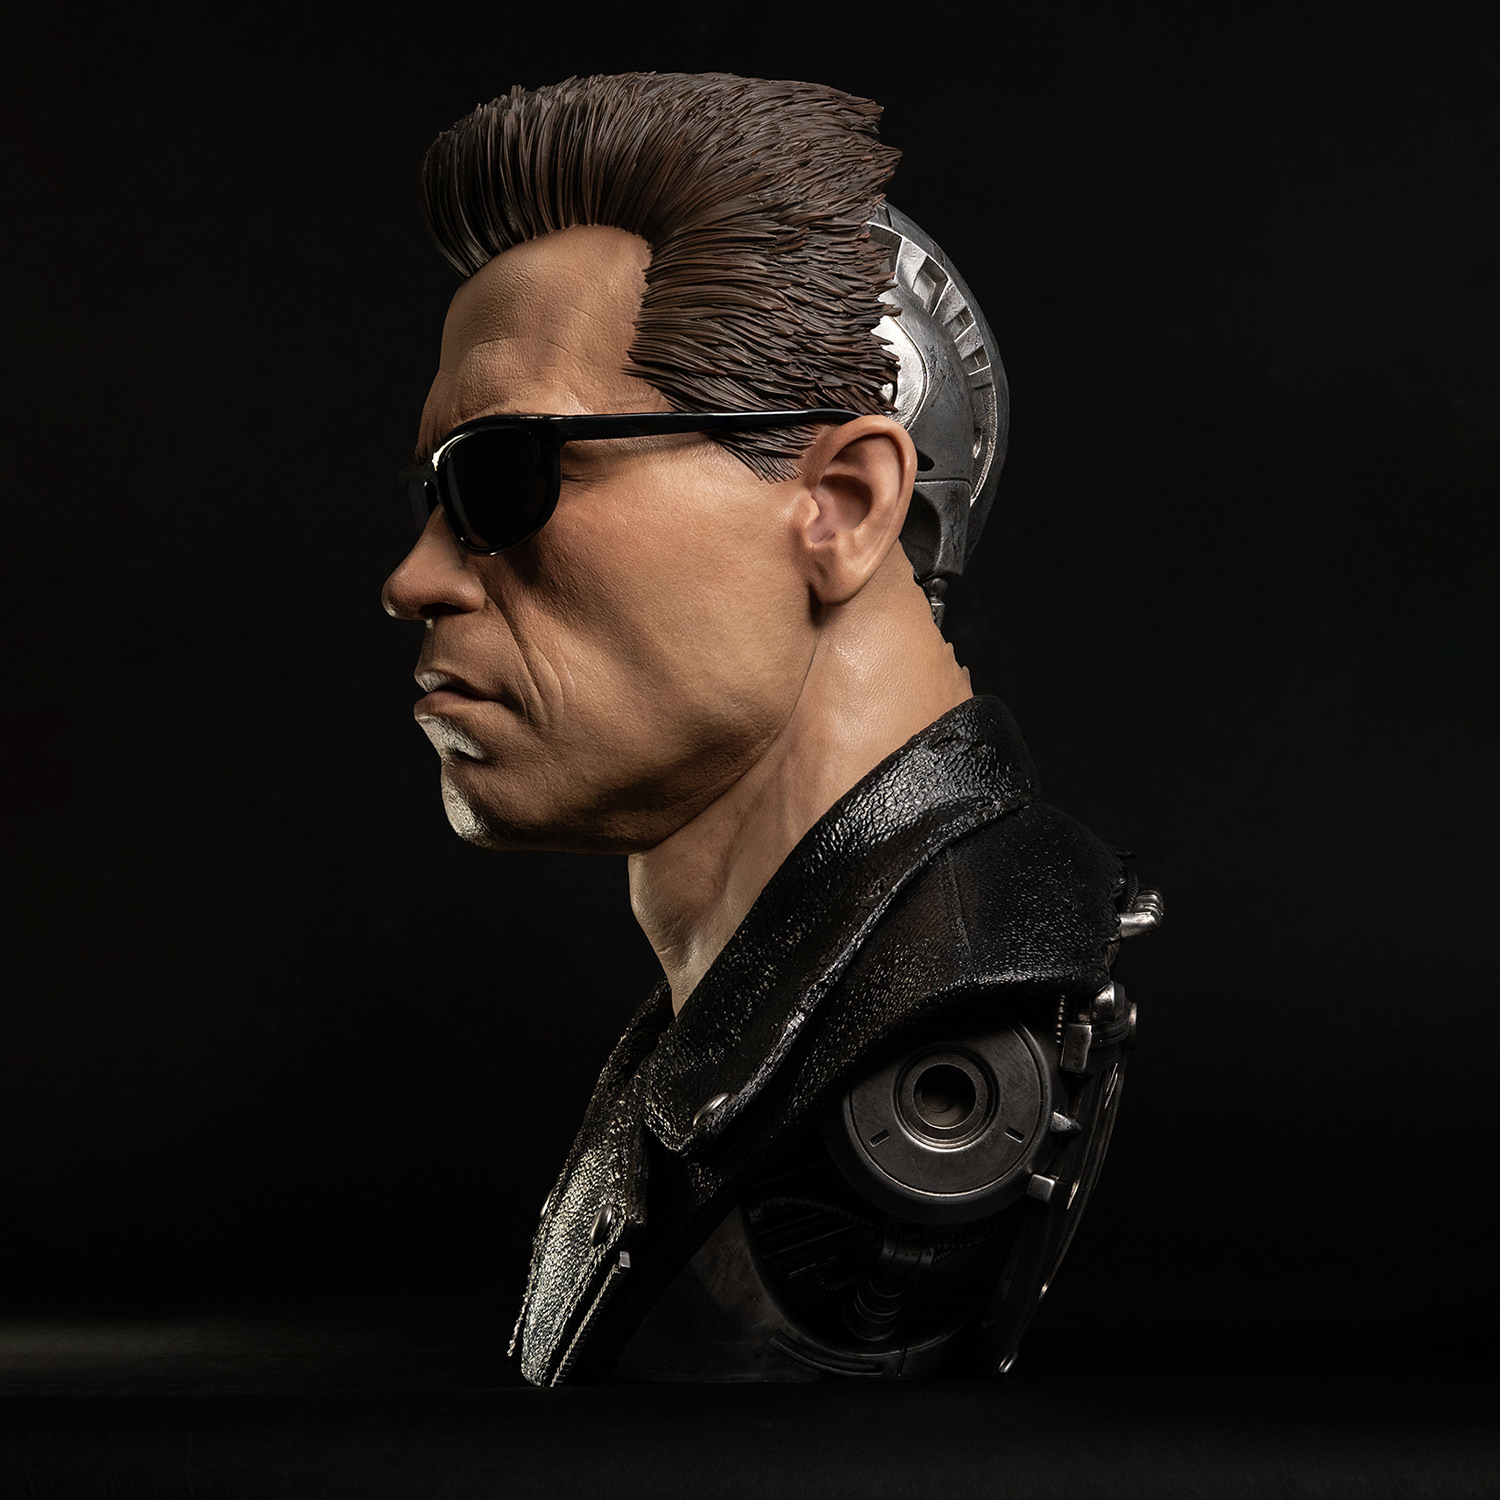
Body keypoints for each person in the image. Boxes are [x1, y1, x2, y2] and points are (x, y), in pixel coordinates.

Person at [382, 72, 1160, 1385]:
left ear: (841, 505)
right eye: (431, 498)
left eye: (504, 475)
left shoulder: (943, 1029)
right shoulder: (757, 1024)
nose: (415, 579)